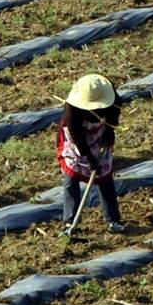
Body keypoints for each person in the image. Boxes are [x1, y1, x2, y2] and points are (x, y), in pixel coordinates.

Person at [58, 73, 124, 235]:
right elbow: (76, 135)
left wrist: (109, 130)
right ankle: (70, 221)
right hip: (78, 140)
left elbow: (115, 113)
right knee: (71, 176)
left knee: (104, 175)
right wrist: (88, 157)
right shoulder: (72, 109)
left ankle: (112, 220)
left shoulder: (112, 98)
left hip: (100, 134)